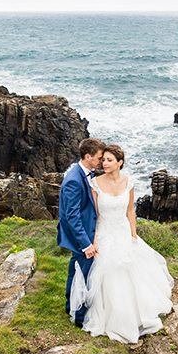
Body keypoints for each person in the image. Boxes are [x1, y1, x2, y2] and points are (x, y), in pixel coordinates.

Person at [69, 144, 174, 344]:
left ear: (120, 163)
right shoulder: (95, 183)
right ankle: (114, 317)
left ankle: (138, 312)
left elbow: (130, 212)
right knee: (109, 276)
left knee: (134, 273)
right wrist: (92, 240)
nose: (104, 163)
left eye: (109, 160)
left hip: (123, 232)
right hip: (104, 234)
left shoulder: (129, 182)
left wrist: (133, 235)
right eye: (103, 160)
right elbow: (94, 214)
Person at [57, 137, 106, 327]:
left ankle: (71, 304)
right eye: (100, 158)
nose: (101, 161)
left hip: (86, 232)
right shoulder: (74, 180)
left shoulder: (87, 173)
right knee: (83, 274)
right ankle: (79, 316)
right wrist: (85, 244)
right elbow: (72, 216)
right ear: (88, 156)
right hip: (81, 236)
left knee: (75, 270)